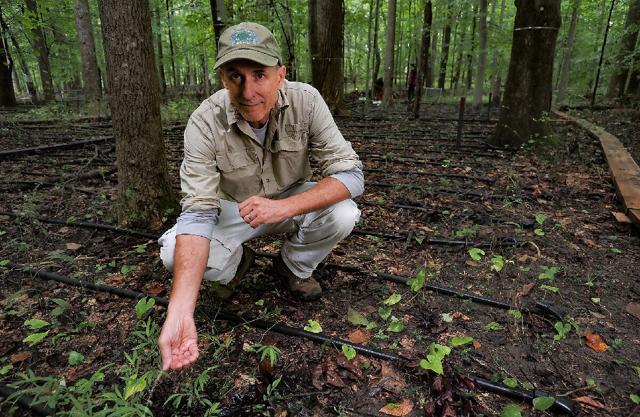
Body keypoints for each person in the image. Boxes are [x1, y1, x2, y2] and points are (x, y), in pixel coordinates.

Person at [157, 22, 364, 371]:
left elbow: (352, 175)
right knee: (171, 252)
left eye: (259, 75)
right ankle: (239, 264)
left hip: (289, 198)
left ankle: (293, 268)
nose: (248, 90)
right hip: (232, 209)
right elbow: (197, 213)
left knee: (343, 211)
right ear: (223, 78)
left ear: (280, 74)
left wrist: (282, 206)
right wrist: (179, 312)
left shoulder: (307, 101)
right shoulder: (204, 122)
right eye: (235, 75)